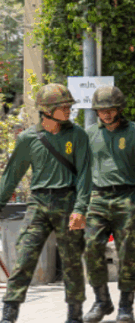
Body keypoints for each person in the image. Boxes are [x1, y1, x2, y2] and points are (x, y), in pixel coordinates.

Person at [0, 84, 92, 323]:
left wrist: (80, 209)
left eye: (69, 105)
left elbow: (85, 175)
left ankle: (75, 314)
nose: (69, 109)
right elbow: (11, 177)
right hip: (38, 203)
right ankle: (9, 312)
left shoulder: (78, 135)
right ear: (47, 110)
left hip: (68, 202)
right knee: (24, 256)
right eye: (64, 106)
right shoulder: (28, 138)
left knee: (72, 261)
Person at [83, 86, 135, 323]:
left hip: (128, 197)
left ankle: (126, 305)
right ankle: (102, 301)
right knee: (91, 247)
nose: (106, 114)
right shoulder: (89, 134)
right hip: (97, 198)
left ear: (119, 109)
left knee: (128, 253)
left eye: (111, 109)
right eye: (101, 110)